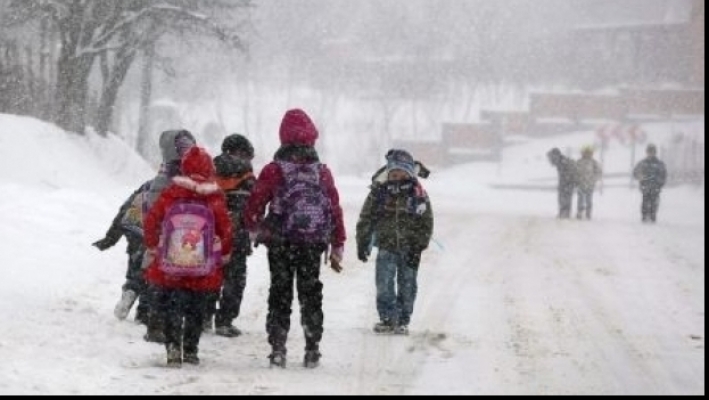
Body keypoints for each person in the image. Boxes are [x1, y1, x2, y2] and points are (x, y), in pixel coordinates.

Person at [243, 108, 346, 369]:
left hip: (281, 241)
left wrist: (255, 229)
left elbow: (255, 204)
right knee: (310, 292)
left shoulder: (273, 170)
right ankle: (312, 349)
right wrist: (338, 244)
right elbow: (334, 208)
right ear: (312, 138)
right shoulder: (322, 172)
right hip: (313, 242)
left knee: (280, 292)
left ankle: (278, 348)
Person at [143, 146, 233, 367]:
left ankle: (173, 347)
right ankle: (191, 349)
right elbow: (225, 228)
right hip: (201, 267)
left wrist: (154, 246)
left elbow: (152, 220)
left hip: (172, 263)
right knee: (196, 309)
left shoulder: (172, 192)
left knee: (173, 306)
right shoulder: (214, 196)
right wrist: (225, 253)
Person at [355, 149, 434, 336]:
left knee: (408, 284)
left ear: (409, 173)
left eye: (401, 173)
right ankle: (388, 318)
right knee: (384, 284)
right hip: (386, 246)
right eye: (393, 173)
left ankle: (403, 319)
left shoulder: (418, 195)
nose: (397, 177)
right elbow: (366, 217)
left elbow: (426, 222)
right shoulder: (379, 193)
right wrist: (362, 241)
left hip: (410, 249)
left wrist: (419, 245)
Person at [142, 129, 197, 343]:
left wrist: (151, 241)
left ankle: (156, 324)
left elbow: (151, 213)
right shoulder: (195, 177)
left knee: (160, 284)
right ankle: (182, 329)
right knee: (186, 286)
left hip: (164, 240)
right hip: (189, 241)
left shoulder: (161, 178)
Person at [203, 133, 256, 337]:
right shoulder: (248, 177)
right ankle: (225, 320)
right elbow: (254, 207)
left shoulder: (210, 171)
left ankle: (205, 315)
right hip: (237, 236)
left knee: (209, 275)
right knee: (235, 278)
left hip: (210, 234)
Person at [93, 180, 152, 325]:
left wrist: (110, 238)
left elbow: (124, 210)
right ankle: (144, 312)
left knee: (135, 268)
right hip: (156, 237)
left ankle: (130, 290)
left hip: (135, 233)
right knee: (152, 276)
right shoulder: (180, 187)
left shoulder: (150, 185)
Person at [633, 143, 667, 223]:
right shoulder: (642, 163)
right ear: (647, 152)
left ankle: (652, 216)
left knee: (654, 203)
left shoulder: (659, 164)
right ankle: (644, 216)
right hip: (645, 187)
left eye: (652, 152)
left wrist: (660, 183)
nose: (651, 153)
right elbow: (635, 173)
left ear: (655, 152)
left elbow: (663, 175)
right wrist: (640, 177)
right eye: (649, 151)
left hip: (655, 187)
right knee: (645, 201)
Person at [547, 147, 578, 219]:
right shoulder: (560, 162)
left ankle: (565, 214)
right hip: (564, 184)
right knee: (562, 198)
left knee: (565, 198)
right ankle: (563, 212)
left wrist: (570, 182)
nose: (550, 161)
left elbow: (570, 174)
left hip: (567, 184)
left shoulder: (564, 162)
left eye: (551, 158)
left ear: (555, 156)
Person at [575, 145, 603, 220]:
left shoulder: (593, 162)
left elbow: (599, 172)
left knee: (589, 199)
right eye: (585, 152)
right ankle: (579, 212)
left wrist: (593, 179)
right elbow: (575, 172)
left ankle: (588, 212)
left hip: (590, 184)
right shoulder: (579, 162)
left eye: (588, 153)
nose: (587, 154)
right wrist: (576, 180)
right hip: (580, 184)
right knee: (580, 199)